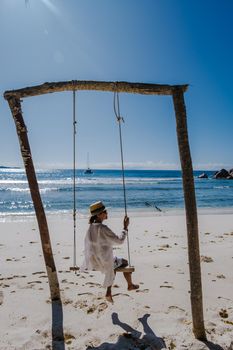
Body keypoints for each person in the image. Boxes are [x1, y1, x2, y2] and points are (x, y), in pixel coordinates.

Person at [81, 201, 139, 303]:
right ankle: (128, 285)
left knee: (115, 263)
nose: (107, 214)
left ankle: (111, 290)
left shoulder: (91, 228)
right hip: (105, 262)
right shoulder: (103, 228)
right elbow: (119, 241)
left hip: (94, 261)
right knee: (124, 263)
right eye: (105, 212)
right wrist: (125, 228)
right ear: (99, 214)